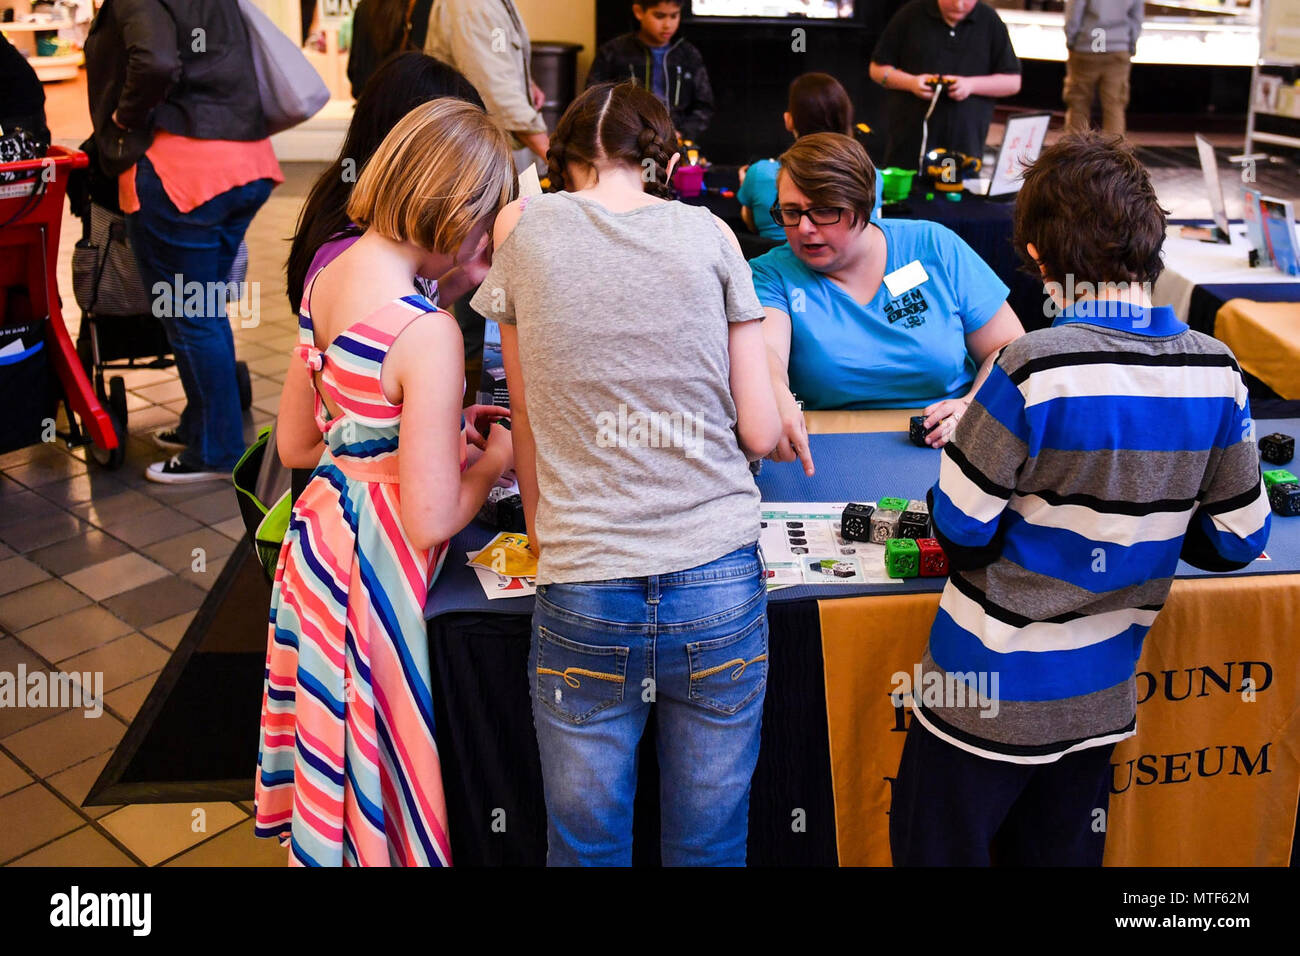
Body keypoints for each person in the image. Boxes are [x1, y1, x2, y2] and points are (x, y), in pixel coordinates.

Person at [889, 132, 1272, 867]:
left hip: (982, 695)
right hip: (1100, 700)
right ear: (1152, 239)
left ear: (1037, 255)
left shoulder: (1032, 363)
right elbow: (1237, 538)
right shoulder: (1217, 367)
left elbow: (964, 529)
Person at [472, 81, 781, 866]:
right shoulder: (711, 233)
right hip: (717, 579)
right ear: (664, 158)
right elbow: (759, 429)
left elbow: (527, 412)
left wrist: (547, 532)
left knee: (585, 844)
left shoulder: (527, 232)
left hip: (583, 581)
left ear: (564, 158)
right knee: (710, 842)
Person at [255, 99, 517, 866]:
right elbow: (431, 517)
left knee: (334, 754)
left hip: (316, 549)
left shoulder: (328, 268)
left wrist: (421, 435)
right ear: (459, 212)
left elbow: (302, 442)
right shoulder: (425, 329)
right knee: (379, 763)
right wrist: (494, 458)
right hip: (374, 576)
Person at [84, 0, 283, 484]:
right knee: (200, 309)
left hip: (180, 172)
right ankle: (203, 426)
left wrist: (122, 121)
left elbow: (153, 60)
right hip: (244, 163)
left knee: (192, 316)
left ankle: (217, 450)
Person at [749, 133, 1024, 474]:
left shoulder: (934, 246)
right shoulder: (772, 273)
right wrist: (775, 392)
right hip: (824, 455)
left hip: (946, 444)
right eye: (791, 212)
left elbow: (1009, 348)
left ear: (863, 207)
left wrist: (972, 405)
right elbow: (766, 352)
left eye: (823, 211)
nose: (804, 228)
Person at [869, 0, 1021, 170]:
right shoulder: (911, 13)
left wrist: (970, 85)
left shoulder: (990, 20)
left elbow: (1013, 82)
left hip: (965, 144)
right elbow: (876, 69)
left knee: (957, 191)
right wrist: (911, 83)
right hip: (909, 141)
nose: (959, 5)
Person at [737, 73, 880, 242]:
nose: (805, 228)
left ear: (789, 120)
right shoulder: (871, 175)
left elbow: (751, 223)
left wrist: (751, 186)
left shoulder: (759, 172)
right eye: (791, 211)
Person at [423, 0, 549, 170]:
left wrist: (527, 84)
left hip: (477, 149)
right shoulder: (475, 6)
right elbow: (500, 95)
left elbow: (496, 51)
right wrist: (553, 157)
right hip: (471, 157)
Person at [585, 1, 714, 143]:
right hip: (625, 143)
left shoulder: (688, 55)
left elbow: (704, 105)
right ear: (639, 12)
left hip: (675, 143)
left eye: (674, 16)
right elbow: (594, 101)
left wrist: (682, 133)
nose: (668, 25)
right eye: (659, 16)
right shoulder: (613, 53)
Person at [1063, 0, 1144, 136]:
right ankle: (1115, 153)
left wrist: (1072, 40)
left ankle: (1074, 152)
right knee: (1114, 105)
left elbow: (1074, 13)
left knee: (1078, 103)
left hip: (1086, 46)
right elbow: (1136, 17)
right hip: (1118, 47)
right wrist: (1130, 44)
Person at [346, 0, 434, 99]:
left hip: (370, 102)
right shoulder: (426, 5)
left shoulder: (364, 7)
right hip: (412, 101)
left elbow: (353, 70)